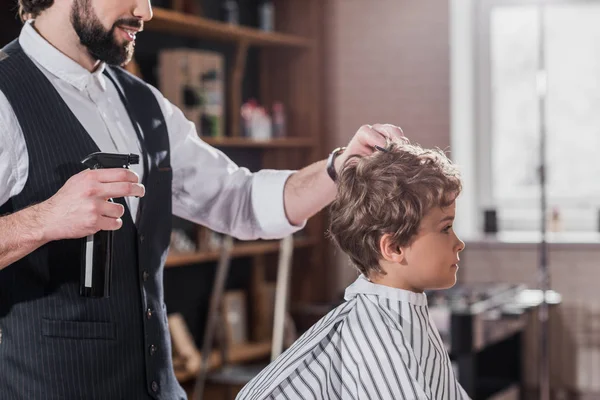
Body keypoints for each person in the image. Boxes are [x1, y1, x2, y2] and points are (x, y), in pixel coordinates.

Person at [0, 0, 404, 398]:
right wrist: (44, 219)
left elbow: (240, 200)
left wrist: (339, 168)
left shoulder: (145, 103)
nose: (146, 12)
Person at [236, 140, 470, 400]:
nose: (459, 244)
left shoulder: (402, 313)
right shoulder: (378, 337)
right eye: (446, 229)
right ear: (393, 247)